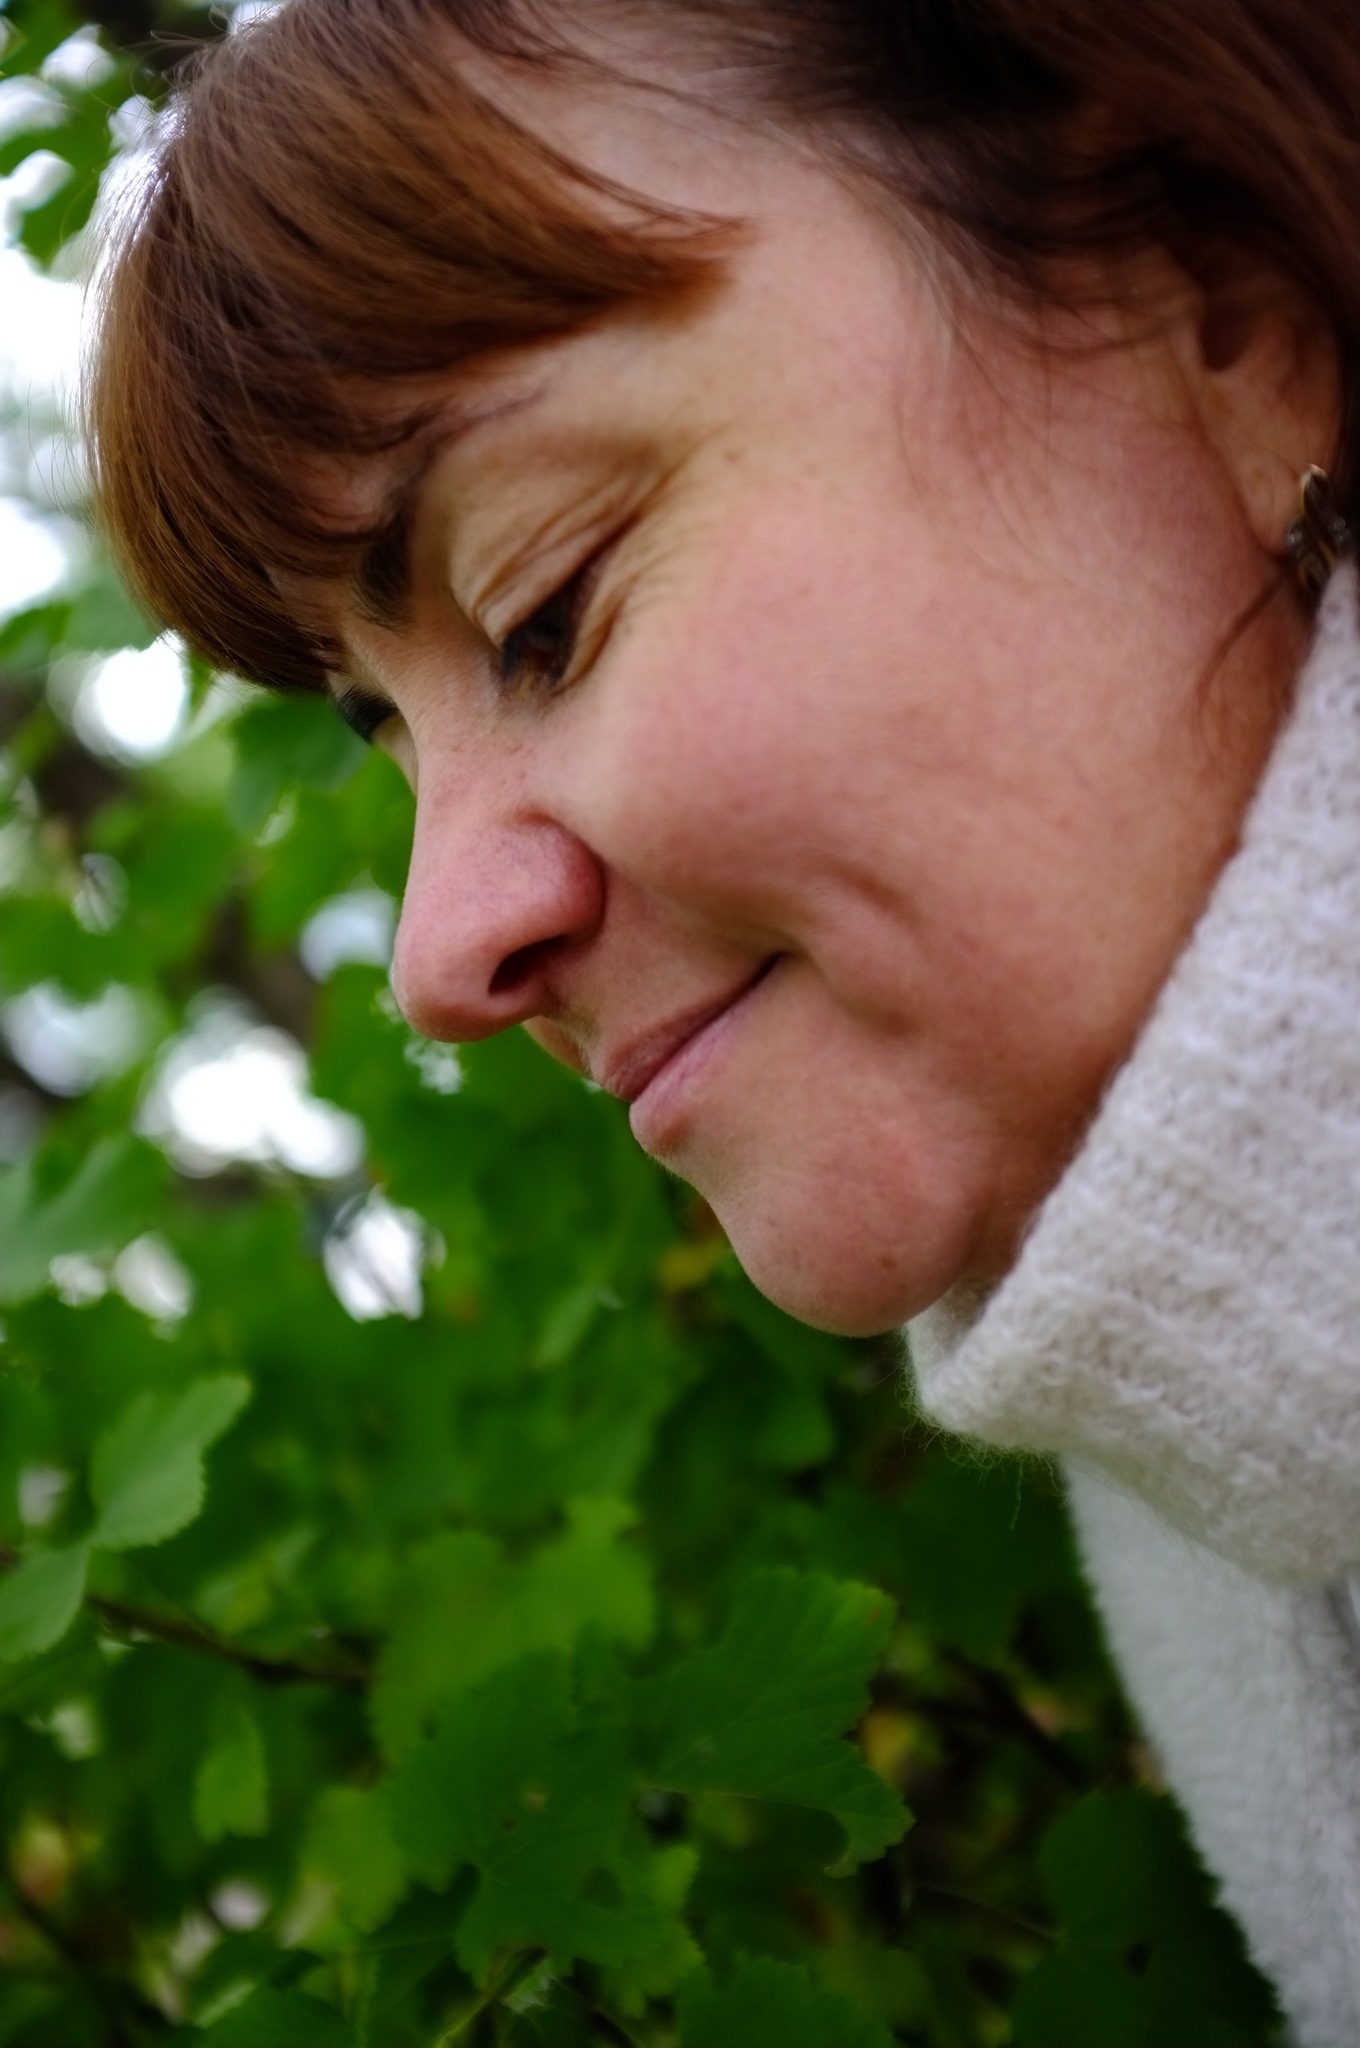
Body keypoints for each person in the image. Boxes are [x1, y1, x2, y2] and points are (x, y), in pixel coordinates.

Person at [87, 2, 1360, 2037]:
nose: (435, 955)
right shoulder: (1207, 1490)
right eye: (388, 743)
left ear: (1216, 296)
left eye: (545, 606)